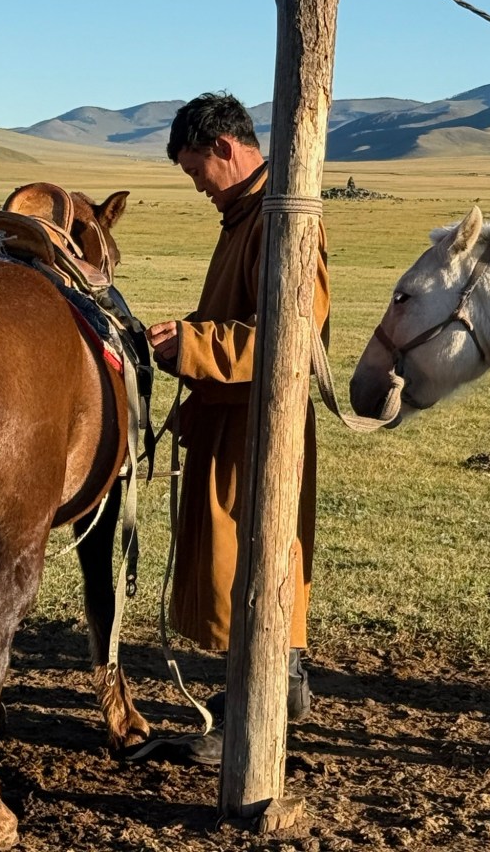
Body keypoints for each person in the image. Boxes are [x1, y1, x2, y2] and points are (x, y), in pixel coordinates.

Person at [145, 91, 330, 765]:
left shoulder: (283, 221)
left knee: (258, 557)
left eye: (198, 171)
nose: (198, 187)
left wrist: (192, 345)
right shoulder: (246, 216)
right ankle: (272, 687)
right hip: (232, 421)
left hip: (262, 431)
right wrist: (185, 342)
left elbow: (289, 336)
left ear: (225, 148)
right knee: (239, 560)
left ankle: (264, 702)